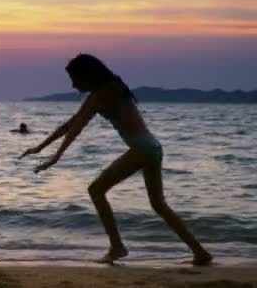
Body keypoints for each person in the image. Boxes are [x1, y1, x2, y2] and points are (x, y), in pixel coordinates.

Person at [19, 53, 212, 265]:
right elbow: (71, 123)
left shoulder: (101, 95)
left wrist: (56, 156)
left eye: (74, 79)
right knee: (158, 204)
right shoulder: (112, 87)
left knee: (96, 190)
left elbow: (76, 128)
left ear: (86, 75)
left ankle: (117, 247)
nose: (73, 85)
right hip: (153, 147)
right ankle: (199, 252)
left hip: (142, 149)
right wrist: (40, 147)